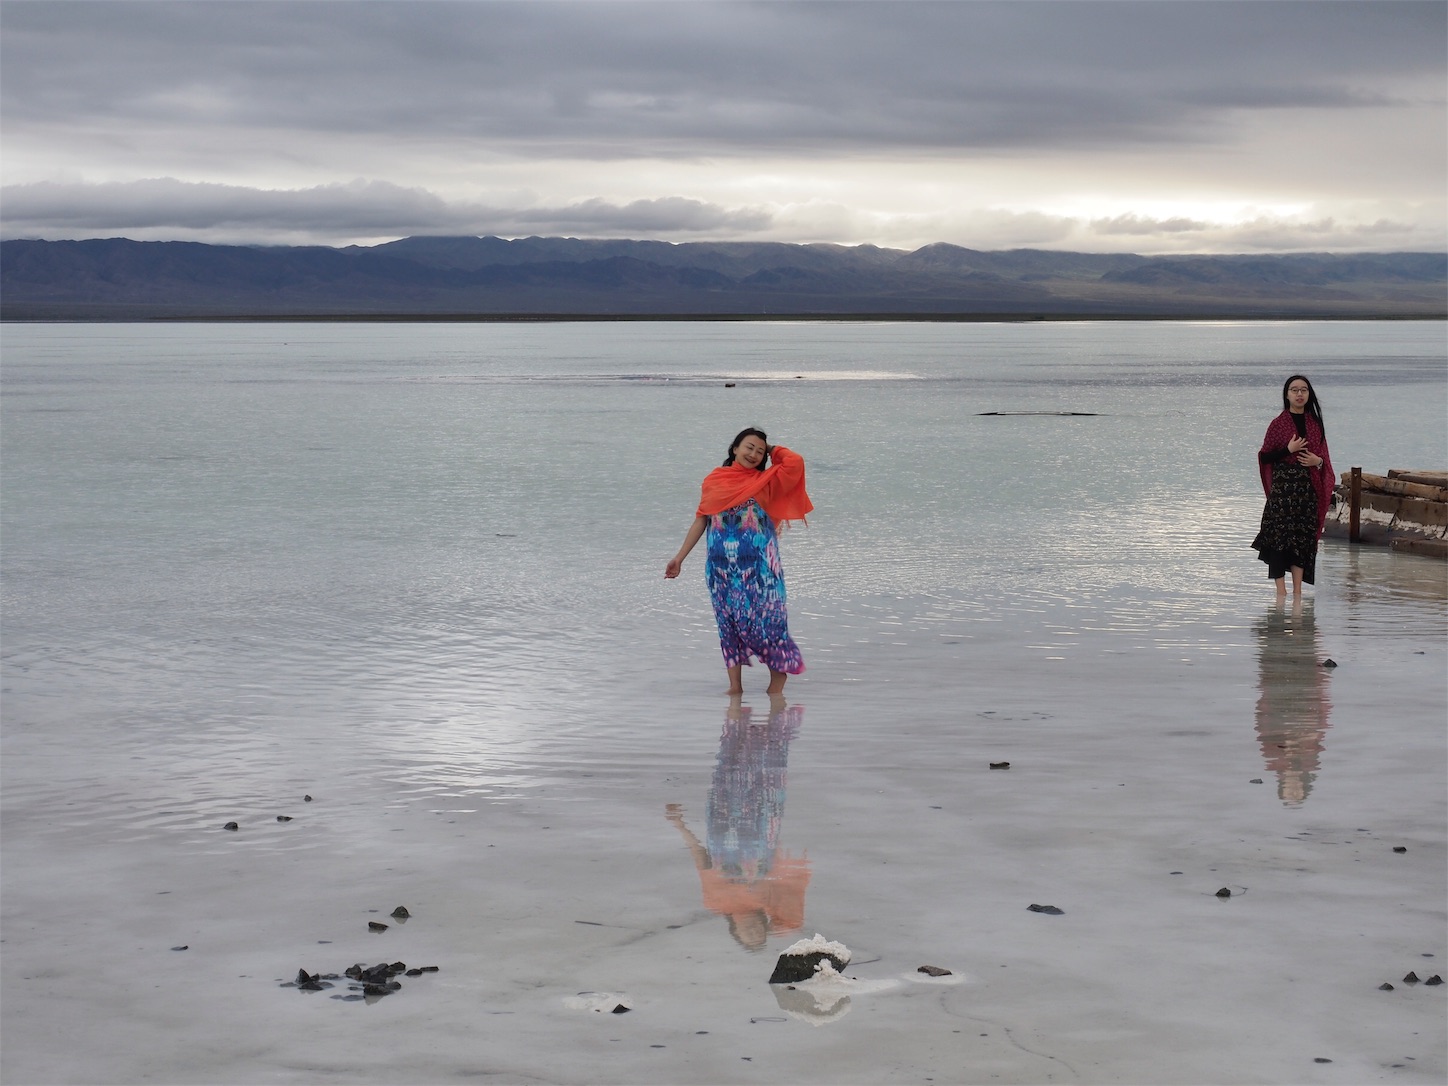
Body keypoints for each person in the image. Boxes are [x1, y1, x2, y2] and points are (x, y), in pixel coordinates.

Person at [664, 428, 812, 695]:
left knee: (767, 622)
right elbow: (701, 519)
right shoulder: (714, 480)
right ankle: (735, 687)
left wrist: (771, 448)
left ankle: (777, 682)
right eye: (749, 447)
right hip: (721, 570)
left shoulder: (766, 480)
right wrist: (680, 557)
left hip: (760, 569)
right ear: (734, 448)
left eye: (759, 450)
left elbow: (795, 463)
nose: (753, 454)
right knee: (728, 624)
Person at [1252, 375, 1334, 597]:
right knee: (1280, 538)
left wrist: (1318, 462)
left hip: (1307, 490)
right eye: (1294, 390)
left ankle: (1297, 591)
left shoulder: (1315, 425)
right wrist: (1287, 450)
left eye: (1303, 390)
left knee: (1302, 538)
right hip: (1283, 491)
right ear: (1287, 394)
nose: (1299, 394)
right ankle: (1281, 592)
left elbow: (1324, 459)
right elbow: (1265, 457)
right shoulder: (1278, 424)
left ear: (1309, 395)